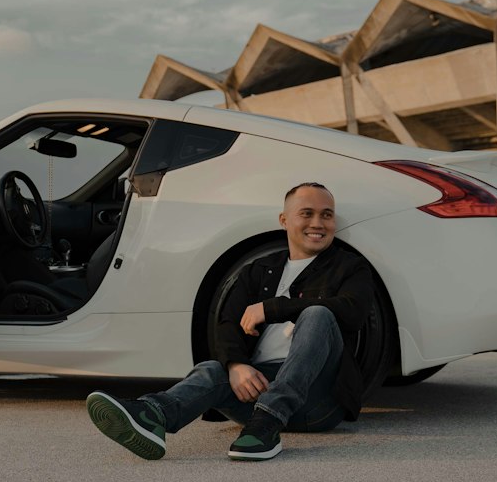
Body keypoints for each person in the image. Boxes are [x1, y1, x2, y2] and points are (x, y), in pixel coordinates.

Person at [86, 182, 375, 462]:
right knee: (213, 369)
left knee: (317, 314)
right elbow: (226, 324)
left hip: (318, 400)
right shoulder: (258, 270)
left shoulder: (350, 267)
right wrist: (236, 366)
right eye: (307, 213)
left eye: (327, 215)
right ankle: (153, 416)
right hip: (257, 392)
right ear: (284, 220)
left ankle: (268, 423)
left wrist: (272, 308)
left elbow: (353, 311)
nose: (318, 222)